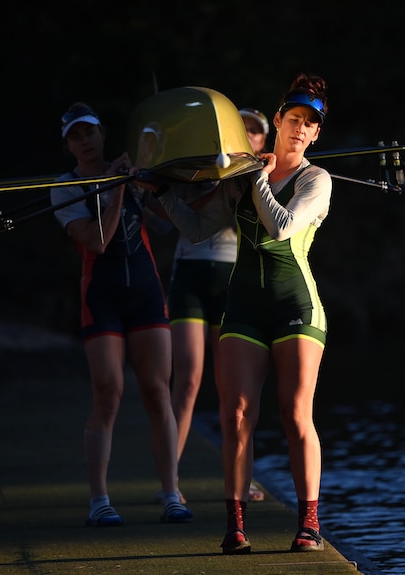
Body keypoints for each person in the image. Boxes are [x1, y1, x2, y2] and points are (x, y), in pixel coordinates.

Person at [136, 73, 332, 554]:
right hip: (243, 304)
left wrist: (257, 179)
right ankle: (235, 524)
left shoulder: (316, 180)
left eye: (310, 124)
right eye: (293, 119)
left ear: (316, 134)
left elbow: (281, 228)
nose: (300, 129)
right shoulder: (244, 176)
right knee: (236, 412)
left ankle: (308, 523)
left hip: (296, 306)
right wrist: (161, 193)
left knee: (293, 414)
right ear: (280, 119)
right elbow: (198, 230)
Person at [50, 102, 193, 527]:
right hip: (102, 295)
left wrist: (151, 182)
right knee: (108, 394)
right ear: (68, 146)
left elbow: (172, 223)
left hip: (146, 292)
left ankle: (171, 492)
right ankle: (100, 500)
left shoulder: (127, 176)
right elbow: (96, 241)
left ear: (102, 133)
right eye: (76, 136)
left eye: (89, 132)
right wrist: (115, 191)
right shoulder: (64, 187)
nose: (85, 142)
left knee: (156, 392)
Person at [165, 107, 271, 505]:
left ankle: (244, 479)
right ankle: (169, 481)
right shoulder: (198, 167)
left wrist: (254, 176)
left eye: (255, 133)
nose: (249, 137)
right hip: (188, 276)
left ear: (262, 141)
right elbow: (173, 219)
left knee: (234, 389)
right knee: (189, 379)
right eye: (242, 131)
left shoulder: (264, 174)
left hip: (231, 278)